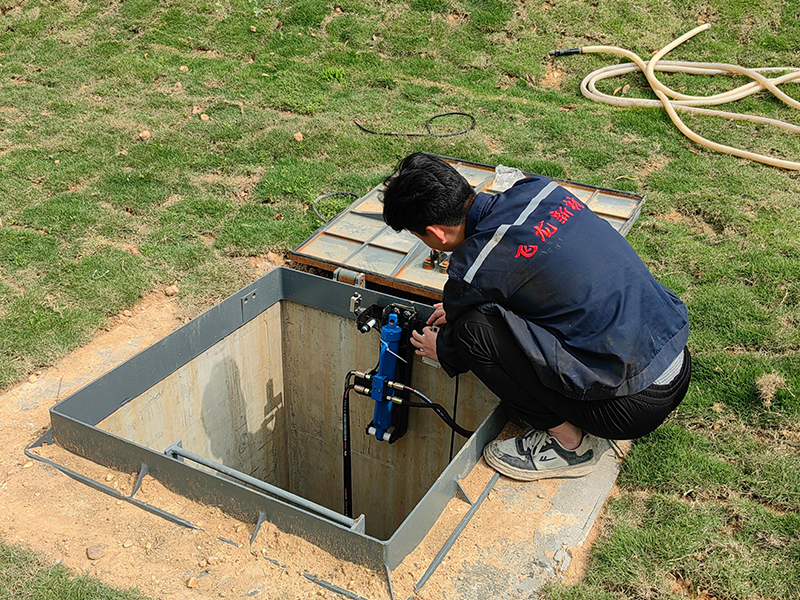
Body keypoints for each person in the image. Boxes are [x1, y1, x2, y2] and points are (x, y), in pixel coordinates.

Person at [381, 152, 691, 481]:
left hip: (628, 410)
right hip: (674, 357)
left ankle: (567, 445)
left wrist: (442, 348)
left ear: (436, 234)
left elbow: (465, 337)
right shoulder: (541, 190)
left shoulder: (473, 267)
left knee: (470, 332)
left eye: (420, 237)